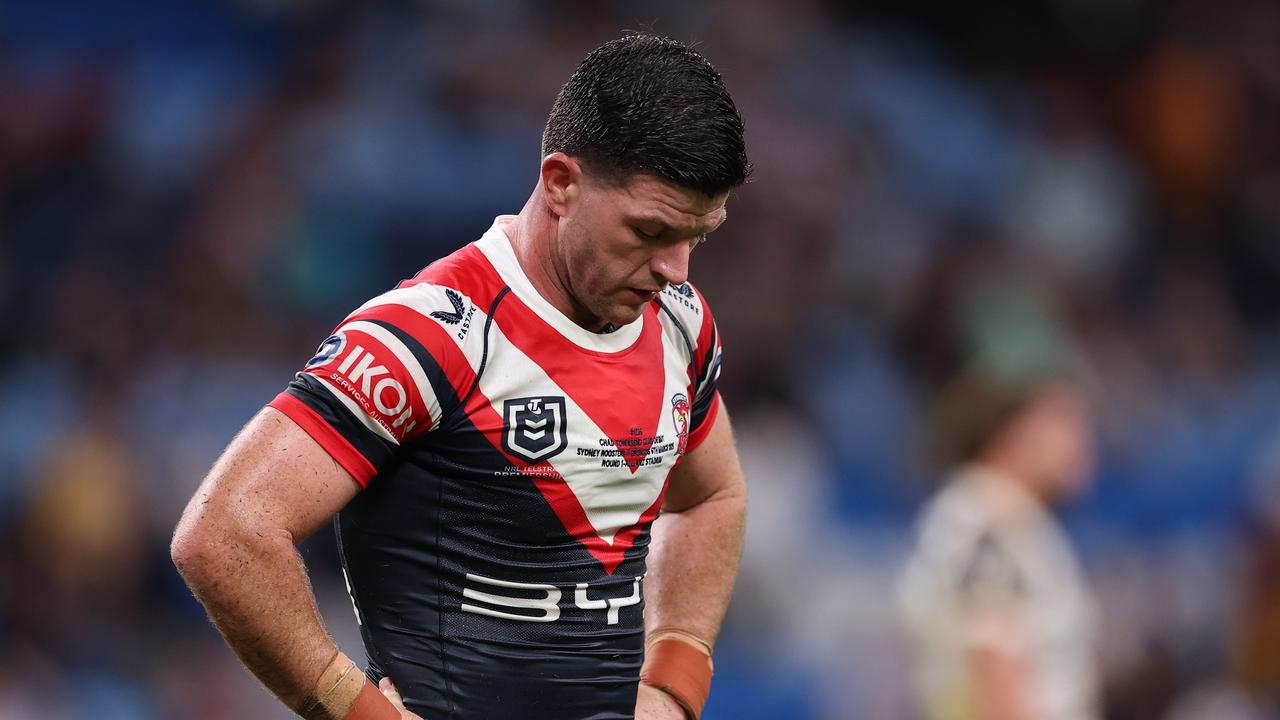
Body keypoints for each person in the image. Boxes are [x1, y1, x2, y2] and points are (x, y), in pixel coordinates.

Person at [171, 33, 750, 720]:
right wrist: (353, 710)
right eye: (651, 233)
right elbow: (225, 534)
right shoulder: (431, 336)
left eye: (697, 237)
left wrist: (674, 685)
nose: (675, 269)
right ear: (561, 184)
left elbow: (711, 495)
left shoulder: (679, 323)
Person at [898, 373, 1101, 720]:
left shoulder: (1005, 518)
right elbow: (997, 689)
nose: (1080, 439)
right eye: (1060, 420)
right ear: (1010, 431)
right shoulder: (988, 525)